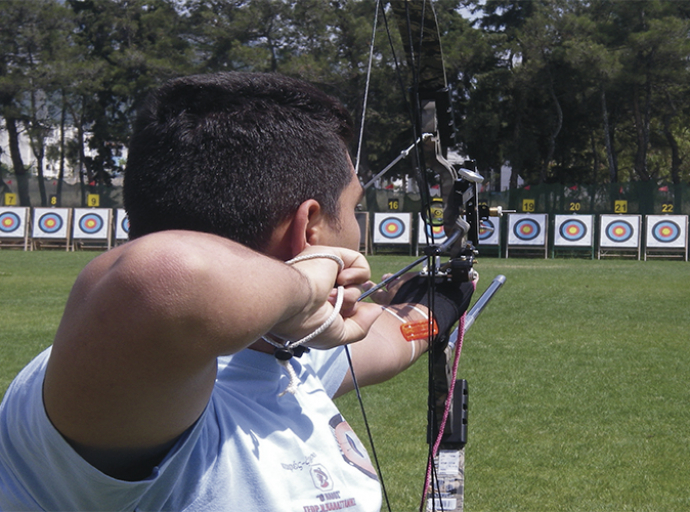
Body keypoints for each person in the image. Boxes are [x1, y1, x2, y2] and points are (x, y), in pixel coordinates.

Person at [0, 72, 473, 511]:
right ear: (308, 228)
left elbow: (390, 336)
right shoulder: (134, 386)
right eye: (354, 207)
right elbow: (165, 273)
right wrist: (307, 287)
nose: (359, 231)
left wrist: (441, 302)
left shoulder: (286, 353)